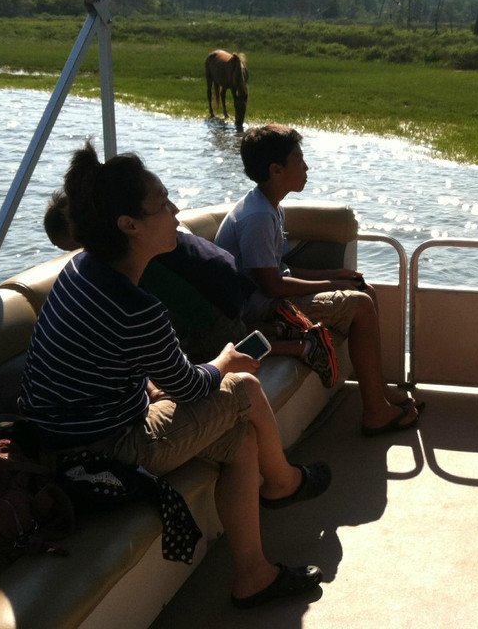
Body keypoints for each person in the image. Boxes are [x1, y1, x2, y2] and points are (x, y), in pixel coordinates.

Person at [20, 142, 330, 608]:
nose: (175, 210)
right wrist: (224, 360)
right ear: (129, 225)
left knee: (243, 440)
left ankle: (253, 574)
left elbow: (136, 373)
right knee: (243, 386)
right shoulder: (136, 306)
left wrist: (187, 376)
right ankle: (283, 482)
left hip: (61, 435)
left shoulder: (81, 270)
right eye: (162, 203)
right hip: (103, 450)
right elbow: (192, 385)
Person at [215, 124, 421, 436]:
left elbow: (279, 270)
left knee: (365, 290)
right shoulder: (257, 217)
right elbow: (272, 287)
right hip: (260, 309)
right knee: (361, 304)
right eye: (299, 160)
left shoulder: (268, 206)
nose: (306, 166)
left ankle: (380, 390)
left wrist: (336, 276)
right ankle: (376, 413)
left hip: (271, 297)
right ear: (276, 169)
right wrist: (332, 286)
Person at [43, 189, 313, 365]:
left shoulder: (138, 258)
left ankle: (301, 348)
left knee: (219, 352)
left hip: (213, 304)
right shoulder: (150, 236)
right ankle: (279, 330)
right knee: (228, 331)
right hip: (227, 284)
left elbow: (178, 305)